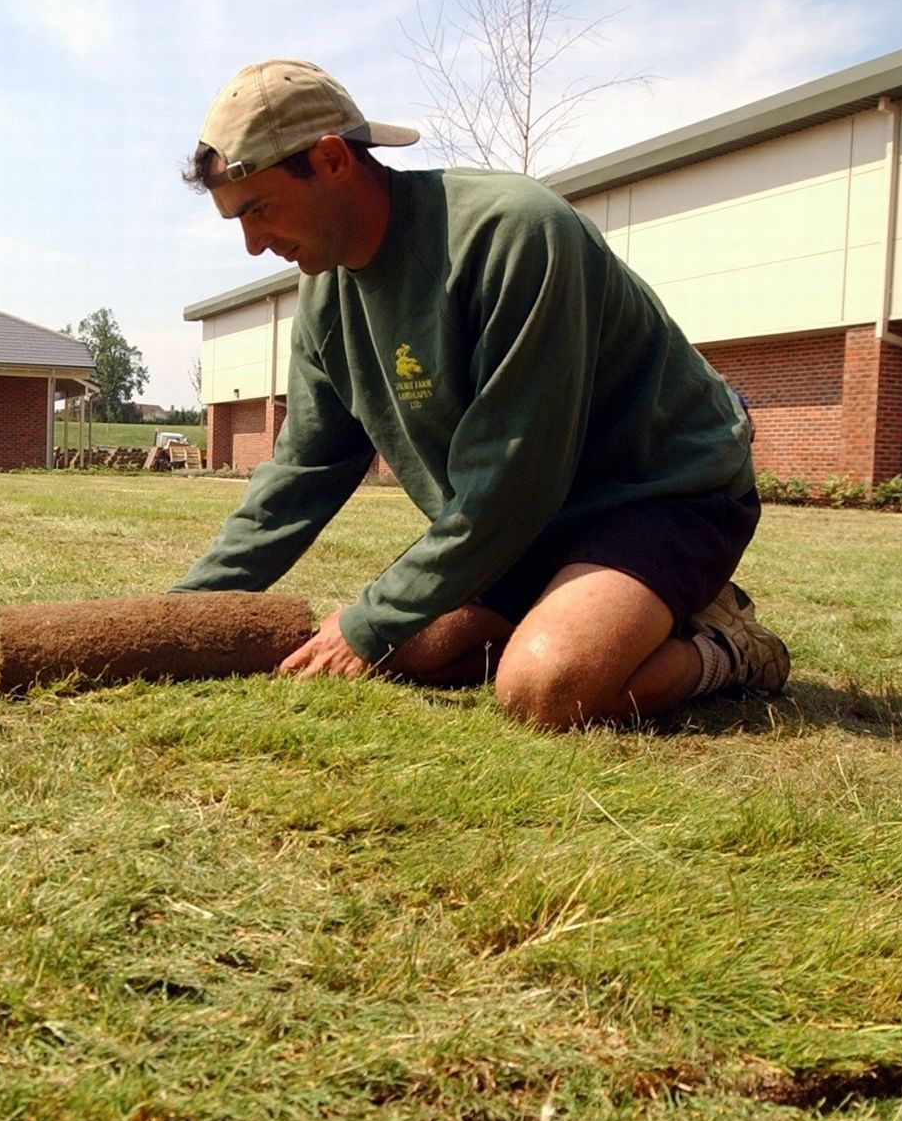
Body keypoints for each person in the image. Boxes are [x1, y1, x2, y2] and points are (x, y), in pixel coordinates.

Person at [170, 60, 789, 731]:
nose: (253, 244)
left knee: (545, 686)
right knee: (403, 648)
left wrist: (368, 622)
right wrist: (177, 616)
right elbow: (298, 477)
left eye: (257, 210)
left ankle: (727, 645)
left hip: (661, 492)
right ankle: (581, 610)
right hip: (531, 523)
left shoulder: (514, 234)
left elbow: (510, 485)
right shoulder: (327, 299)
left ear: (330, 160)